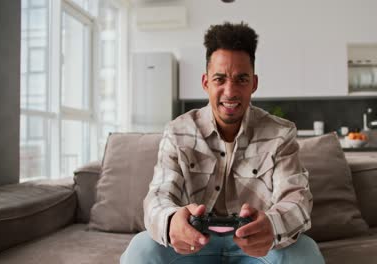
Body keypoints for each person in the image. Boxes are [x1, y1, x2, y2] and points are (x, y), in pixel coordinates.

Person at [121, 22, 325, 264]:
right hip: (193, 245)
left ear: (254, 83)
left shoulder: (281, 133)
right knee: (140, 250)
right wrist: (171, 221)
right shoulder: (178, 132)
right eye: (220, 79)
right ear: (206, 82)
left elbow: (297, 198)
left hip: (256, 247)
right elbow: (158, 195)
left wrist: (271, 224)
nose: (230, 91)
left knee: (306, 253)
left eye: (241, 79)